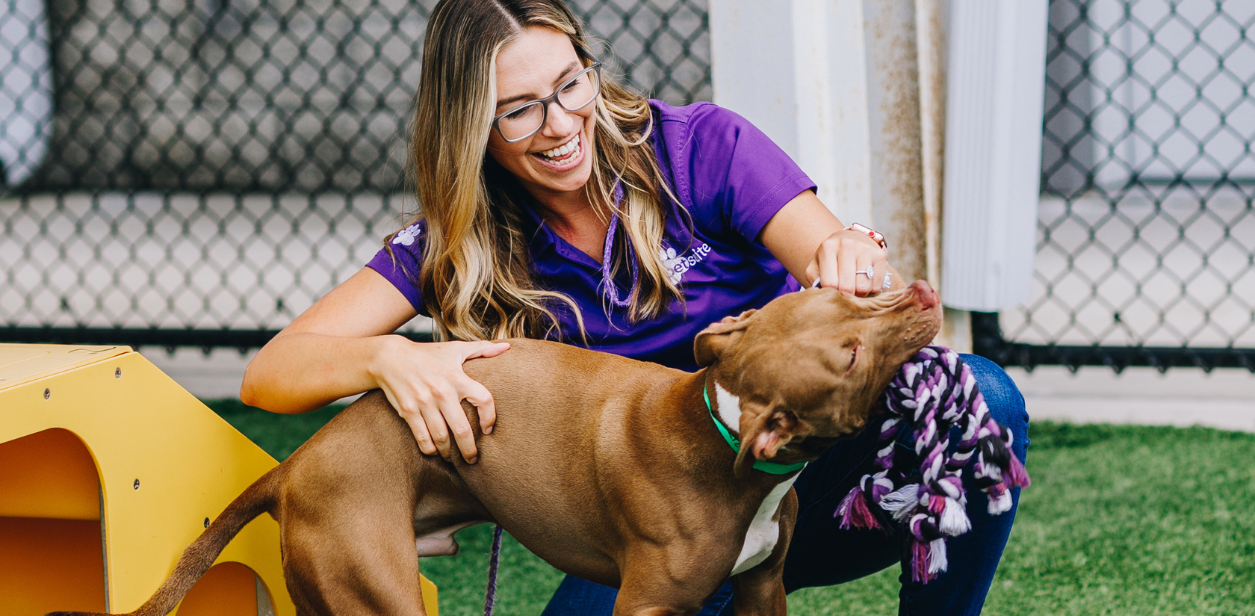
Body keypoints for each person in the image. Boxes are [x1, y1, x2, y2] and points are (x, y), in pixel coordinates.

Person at [240, 0, 1029, 614]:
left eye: (569, 83)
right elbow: (271, 373)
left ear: (589, 67)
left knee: (981, 399)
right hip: (645, 532)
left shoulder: (700, 147)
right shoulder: (454, 242)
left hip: (795, 483)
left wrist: (848, 254)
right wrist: (389, 355)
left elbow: (826, 258)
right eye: (518, 109)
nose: (559, 125)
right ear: (468, 126)